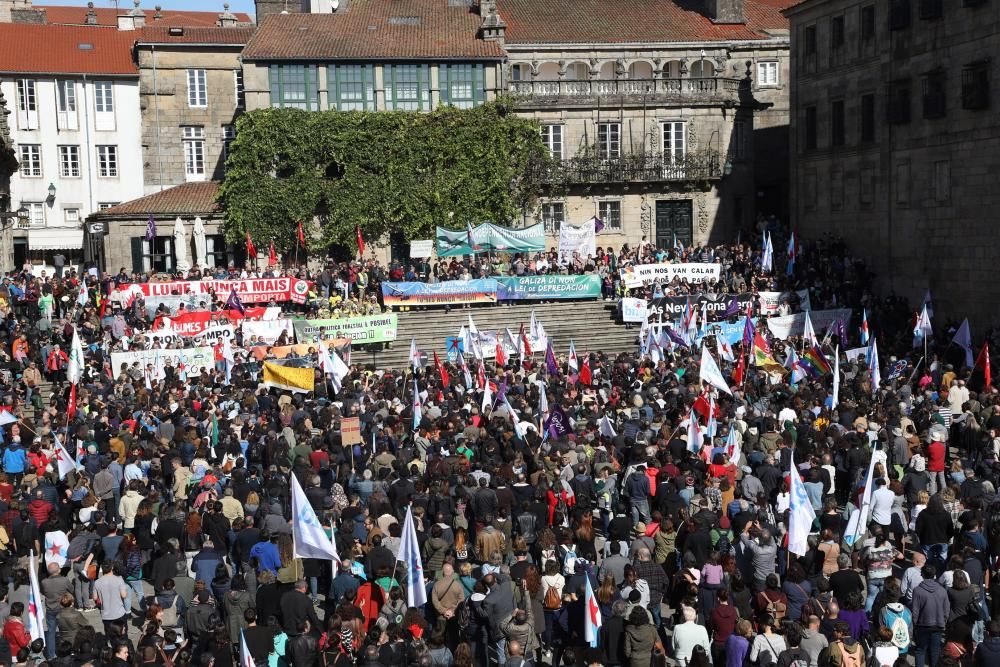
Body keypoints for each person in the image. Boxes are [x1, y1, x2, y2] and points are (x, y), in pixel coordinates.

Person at [911, 564, 950, 667]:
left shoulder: (917, 590)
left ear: (922, 575)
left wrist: (915, 625)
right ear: (935, 576)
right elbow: (946, 610)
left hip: (922, 626)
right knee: (935, 652)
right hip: (938, 625)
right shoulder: (942, 591)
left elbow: (915, 611)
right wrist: (943, 622)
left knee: (920, 651)